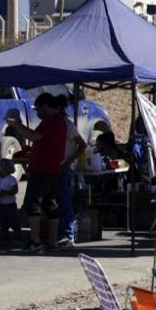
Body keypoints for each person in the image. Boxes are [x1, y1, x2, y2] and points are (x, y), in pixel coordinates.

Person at [6, 93, 68, 252]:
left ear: (45, 106)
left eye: (39, 109)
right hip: (52, 169)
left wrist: (17, 125)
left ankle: (35, 241)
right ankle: (52, 242)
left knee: (33, 205)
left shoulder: (51, 122)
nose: (38, 113)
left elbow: (33, 136)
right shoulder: (59, 121)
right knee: (51, 205)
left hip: (43, 170)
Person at [54, 94, 86, 249]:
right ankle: (61, 235)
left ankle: (68, 236)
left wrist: (69, 161)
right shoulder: (53, 124)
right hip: (53, 168)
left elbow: (82, 145)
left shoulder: (68, 125)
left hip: (64, 169)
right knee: (57, 203)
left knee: (65, 202)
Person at [0, 158, 19, 239]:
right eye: (1, 166)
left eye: (5, 166)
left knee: (13, 221)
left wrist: (4, 193)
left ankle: (18, 236)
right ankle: (4, 237)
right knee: (2, 221)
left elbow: (15, 190)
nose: (3, 168)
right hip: (0, 204)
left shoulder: (11, 179)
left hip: (10, 205)